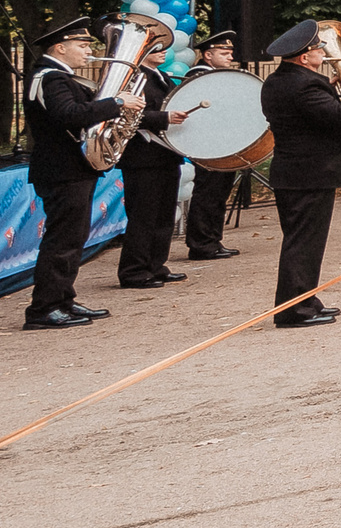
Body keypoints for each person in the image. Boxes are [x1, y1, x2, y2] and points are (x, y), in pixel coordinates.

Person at [259, 18, 341, 329]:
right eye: (318, 48)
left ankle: (307, 301)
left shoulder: (279, 81)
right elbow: (339, 115)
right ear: (303, 57)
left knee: (304, 242)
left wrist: (330, 89)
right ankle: (293, 311)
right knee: (303, 244)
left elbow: (312, 112)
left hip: (294, 172)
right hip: (308, 173)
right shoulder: (304, 84)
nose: (324, 52)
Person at [19, 17, 137, 329]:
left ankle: (62, 300)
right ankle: (44, 309)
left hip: (70, 169)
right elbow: (68, 116)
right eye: (82, 45)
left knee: (73, 239)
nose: (89, 50)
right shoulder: (51, 78)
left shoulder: (58, 77)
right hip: (62, 170)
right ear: (61, 47)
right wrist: (117, 102)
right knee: (62, 241)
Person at [112, 18, 200, 290]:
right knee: (144, 216)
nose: (163, 52)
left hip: (164, 155)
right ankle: (134, 271)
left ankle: (155, 265)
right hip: (143, 156)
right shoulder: (130, 76)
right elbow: (126, 114)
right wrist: (164, 117)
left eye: (163, 48)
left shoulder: (158, 76)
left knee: (163, 215)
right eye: (155, 48)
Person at [182, 30, 246, 261]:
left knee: (218, 194)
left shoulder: (217, 75)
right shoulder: (200, 75)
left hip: (222, 144)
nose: (230, 56)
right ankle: (201, 243)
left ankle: (212, 240)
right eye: (224, 52)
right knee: (208, 194)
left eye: (230, 52)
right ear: (208, 55)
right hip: (209, 145)